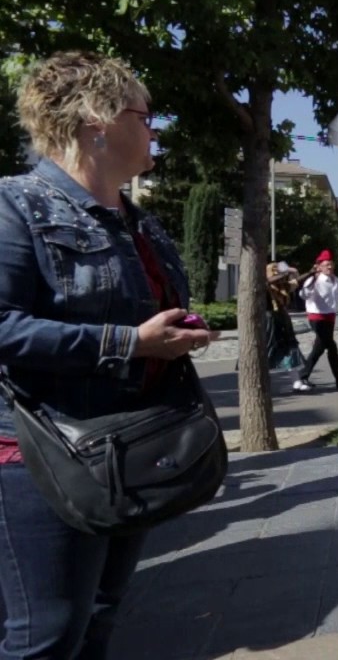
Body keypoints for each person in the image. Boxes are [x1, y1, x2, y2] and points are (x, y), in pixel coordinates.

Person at [0, 51, 217, 659]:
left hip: (131, 451)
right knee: (47, 635)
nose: (155, 130)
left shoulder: (140, 221)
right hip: (43, 456)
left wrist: (181, 333)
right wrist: (131, 343)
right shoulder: (14, 205)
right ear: (98, 120)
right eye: (146, 115)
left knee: (99, 617)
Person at [297, 249, 338, 391]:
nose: (330, 267)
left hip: (330, 317)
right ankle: (303, 375)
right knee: (325, 347)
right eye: (326, 264)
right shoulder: (314, 280)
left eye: (331, 264)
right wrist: (312, 279)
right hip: (317, 317)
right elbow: (303, 295)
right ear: (319, 266)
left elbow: (336, 299)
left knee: (326, 348)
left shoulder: (337, 281)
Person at [265, 262, 306, 390]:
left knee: (290, 349)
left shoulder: (284, 287)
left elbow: (296, 280)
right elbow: (268, 281)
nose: (280, 277)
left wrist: (310, 272)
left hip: (283, 320)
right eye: (276, 273)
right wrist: (285, 272)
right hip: (268, 321)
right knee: (268, 351)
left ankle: (296, 381)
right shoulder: (265, 286)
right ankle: (263, 382)